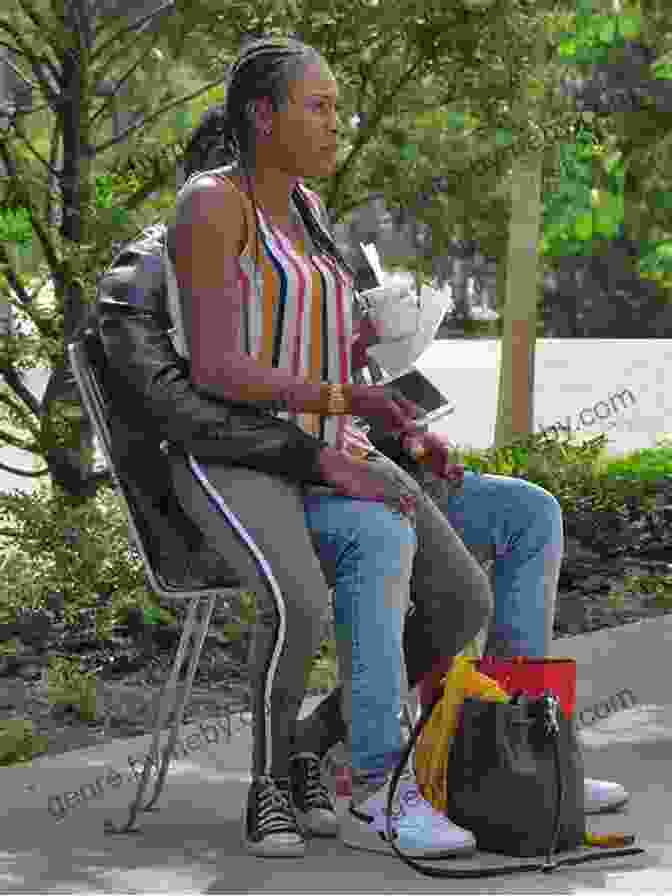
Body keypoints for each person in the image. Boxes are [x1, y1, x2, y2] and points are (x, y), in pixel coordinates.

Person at [116, 34, 627, 861]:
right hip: (259, 455)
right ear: (262, 115)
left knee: (494, 557)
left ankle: (511, 750)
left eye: (335, 107)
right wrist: (340, 400)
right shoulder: (213, 205)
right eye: (316, 106)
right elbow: (213, 364)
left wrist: (403, 425)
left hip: (338, 437)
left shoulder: (308, 210)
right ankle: (369, 780)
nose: (335, 124)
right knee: (370, 544)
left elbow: (337, 350)